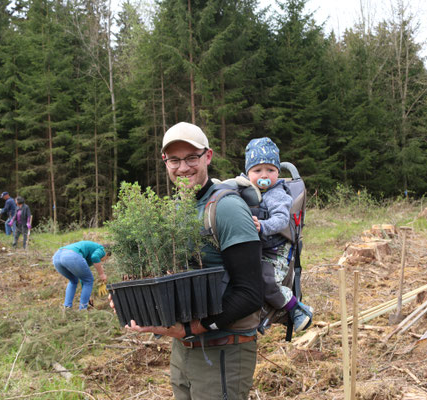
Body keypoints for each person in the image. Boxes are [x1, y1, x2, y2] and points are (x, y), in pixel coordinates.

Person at [111, 122, 264, 400]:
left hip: (223, 351)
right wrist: (139, 303)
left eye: (192, 157)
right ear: (164, 162)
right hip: (184, 350)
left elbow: (251, 293)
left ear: (208, 156)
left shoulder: (226, 208)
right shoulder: (178, 209)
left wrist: (188, 328)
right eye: (175, 160)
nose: (183, 168)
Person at [245, 137, 313, 332]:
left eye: (271, 170)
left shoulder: (276, 194)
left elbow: (282, 220)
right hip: (255, 247)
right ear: (248, 172)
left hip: (275, 249)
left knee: (266, 281)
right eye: (257, 171)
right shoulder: (243, 188)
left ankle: (295, 309)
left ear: (278, 172)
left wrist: (263, 226)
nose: (264, 175)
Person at [53, 241, 110, 310]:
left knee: (73, 281)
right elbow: (95, 257)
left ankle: (67, 307)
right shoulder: (101, 249)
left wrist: (87, 296)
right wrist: (102, 274)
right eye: (107, 258)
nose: (104, 260)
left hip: (57, 257)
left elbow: (83, 278)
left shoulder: (89, 254)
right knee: (89, 280)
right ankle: (83, 309)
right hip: (71, 255)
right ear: (107, 254)